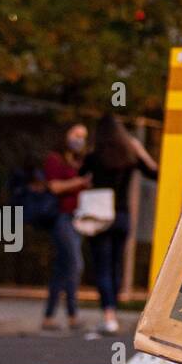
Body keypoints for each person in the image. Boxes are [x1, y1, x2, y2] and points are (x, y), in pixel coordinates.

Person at [81, 114, 157, 335]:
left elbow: (81, 176)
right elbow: (155, 173)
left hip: (100, 215)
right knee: (115, 266)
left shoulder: (95, 157)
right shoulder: (129, 155)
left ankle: (109, 315)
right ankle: (113, 311)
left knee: (102, 267)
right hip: (122, 216)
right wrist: (141, 151)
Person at [42, 123, 90, 330]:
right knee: (75, 264)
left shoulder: (80, 162)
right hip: (62, 218)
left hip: (78, 219)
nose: (79, 139)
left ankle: (49, 316)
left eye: (83, 136)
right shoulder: (55, 159)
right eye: (76, 134)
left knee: (62, 269)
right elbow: (54, 186)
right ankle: (72, 315)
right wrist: (79, 182)